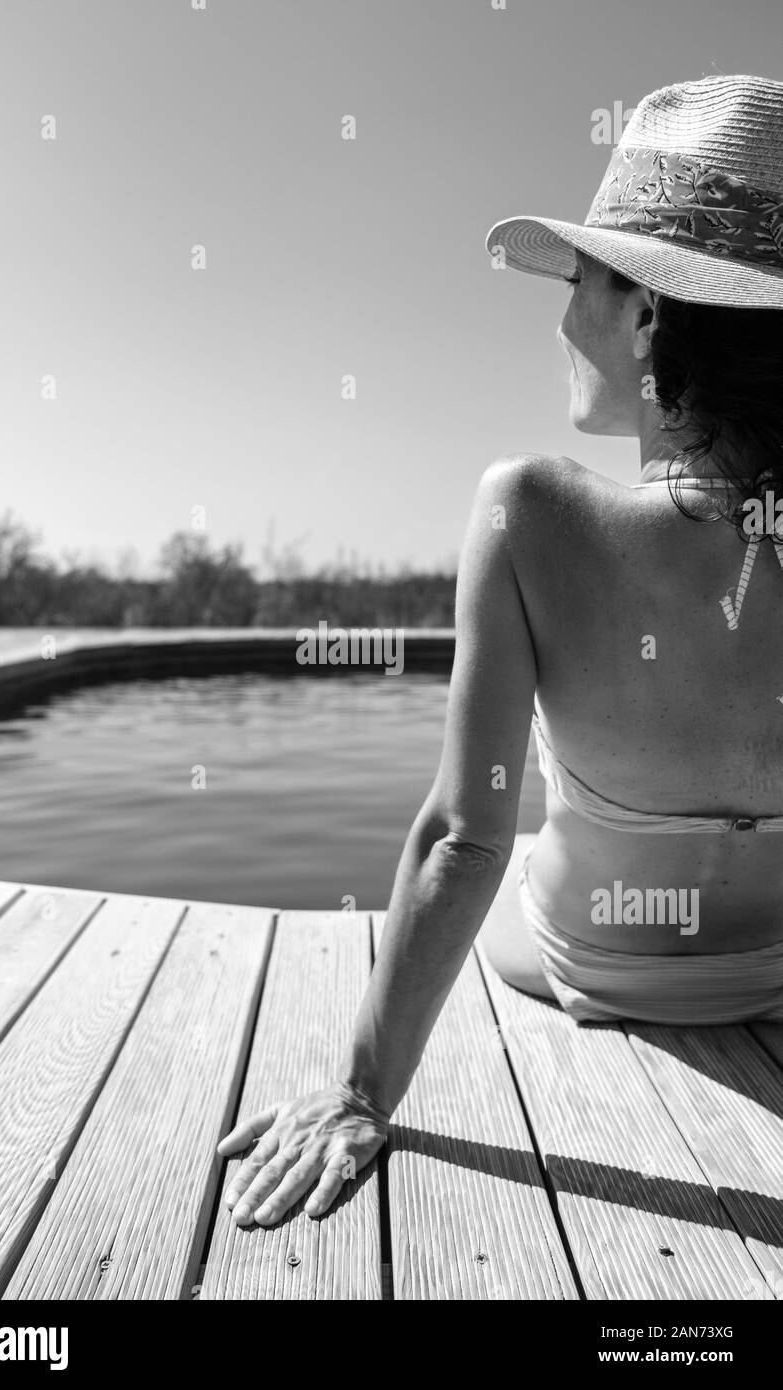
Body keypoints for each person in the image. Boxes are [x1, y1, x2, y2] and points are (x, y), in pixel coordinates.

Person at [217, 73, 783, 1228]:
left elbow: (457, 840)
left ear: (645, 316)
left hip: (592, 961)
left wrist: (358, 1090)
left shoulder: (526, 510)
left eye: (580, 281)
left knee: (525, 838)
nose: (558, 315)